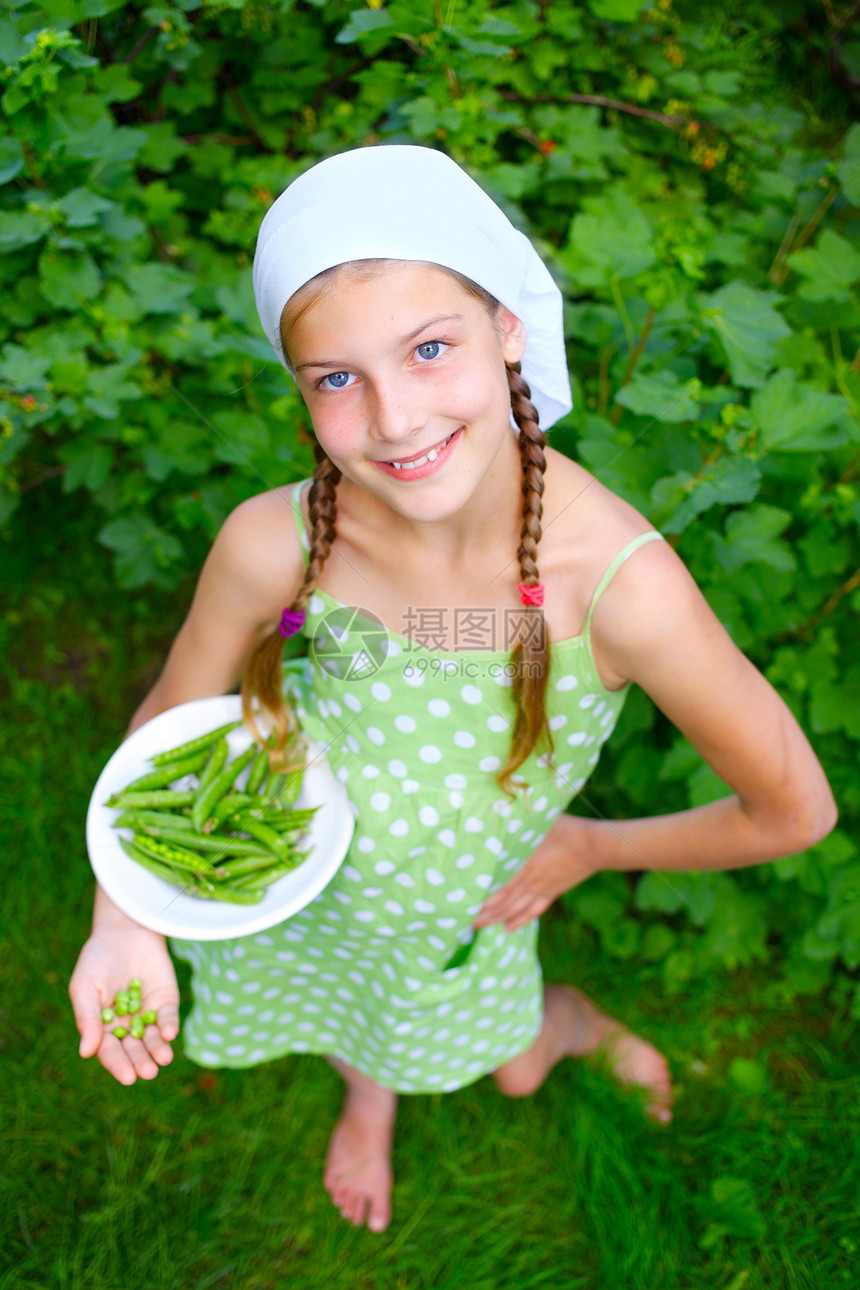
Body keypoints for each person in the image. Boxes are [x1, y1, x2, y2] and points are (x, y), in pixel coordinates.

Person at [70, 145, 837, 1235]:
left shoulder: (619, 589)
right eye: (337, 377)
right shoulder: (273, 540)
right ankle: (367, 1092)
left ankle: (563, 1022)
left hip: (459, 909)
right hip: (297, 868)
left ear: (508, 329)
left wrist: (589, 846)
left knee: (509, 1068)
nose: (390, 418)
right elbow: (171, 717)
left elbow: (793, 810)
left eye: (430, 349)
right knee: (346, 1010)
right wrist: (127, 913)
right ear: (299, 389)